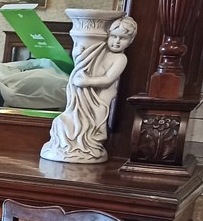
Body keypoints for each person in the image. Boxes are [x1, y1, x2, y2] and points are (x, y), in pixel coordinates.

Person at [40, 17, 137, 165]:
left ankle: (87, 146)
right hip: (84, 96)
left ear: (130, 41)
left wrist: (87, 81)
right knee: (63, 121)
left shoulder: (120, 58)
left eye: (122, 38)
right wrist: (77, 54)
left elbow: (108, 79)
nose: (117, 41)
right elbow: (81, 66)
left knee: (93, 123)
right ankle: (68, 146)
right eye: (113, 36)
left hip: (100, 99)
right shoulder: (99, 50)